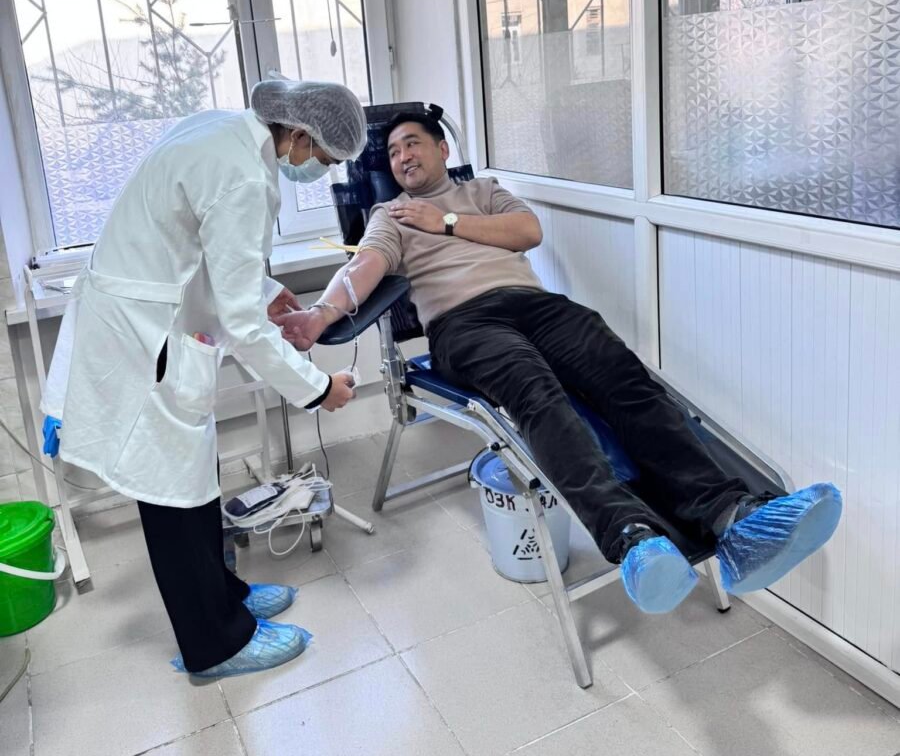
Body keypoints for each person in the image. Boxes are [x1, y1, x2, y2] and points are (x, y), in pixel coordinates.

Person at [274, 110, 843, 615]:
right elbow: (365, 267)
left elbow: (527, 231)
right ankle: (632, 536)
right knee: (537, 395)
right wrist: (319, 315)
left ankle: (731, 516)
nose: (402, 157)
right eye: (393, 152)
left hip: (537, 307)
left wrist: (443, 221)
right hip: (462, 324)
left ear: (442, 149)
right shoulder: (390, 213)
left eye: (412, 144)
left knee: (626, 379)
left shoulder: (485, 191)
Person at [42, 78, 366, 676]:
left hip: (148, 318)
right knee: (173, 494)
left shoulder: (218, 129)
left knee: (194, 481)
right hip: (147, 339)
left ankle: (226, 595)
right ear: (298, 134)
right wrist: (318, 389)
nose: (317, 170)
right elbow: (243, 324)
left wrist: (265, 290)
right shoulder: (244, 176)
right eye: (322, 158)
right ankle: (215, 645)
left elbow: (194, 243)